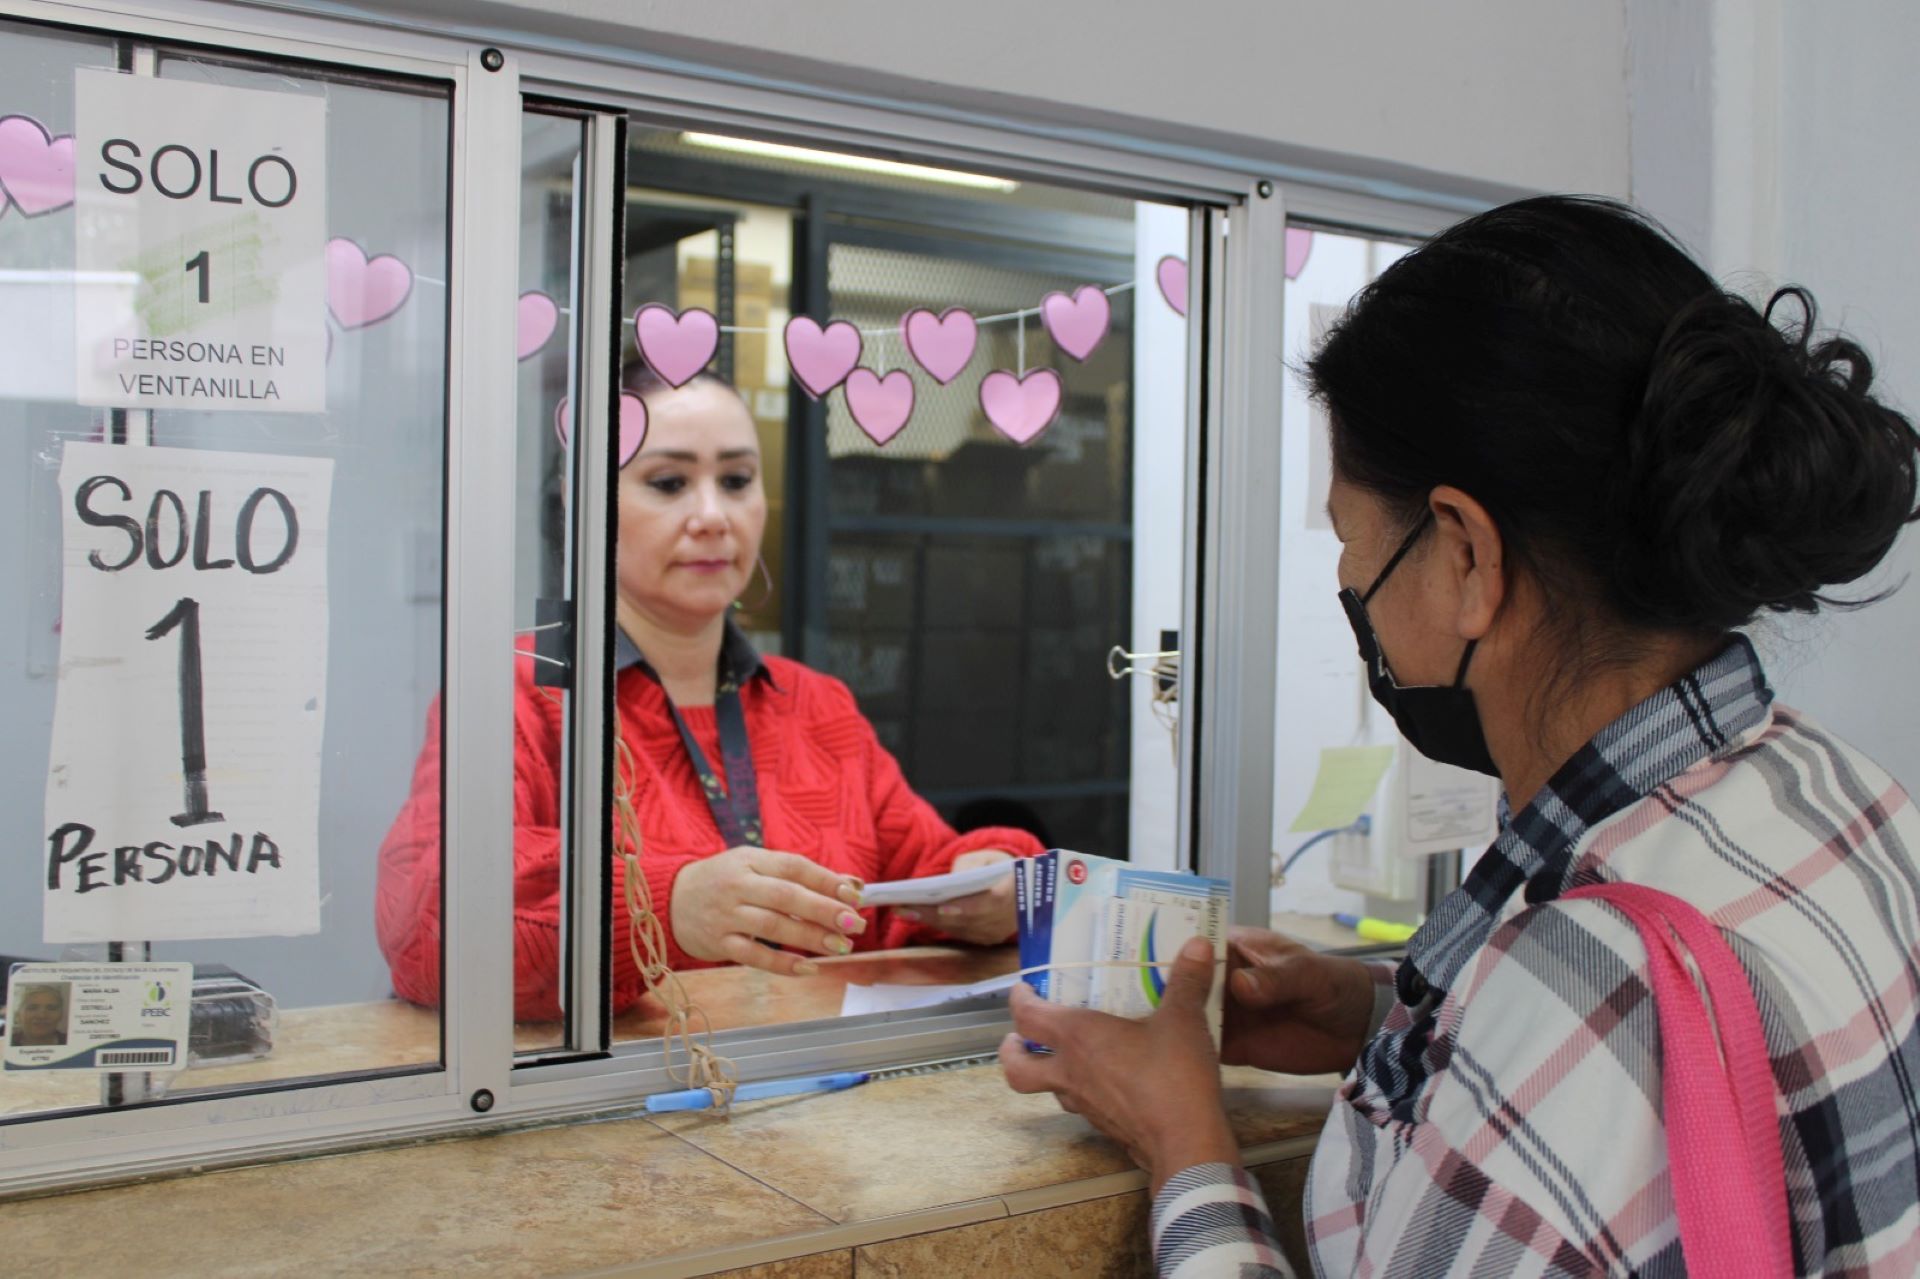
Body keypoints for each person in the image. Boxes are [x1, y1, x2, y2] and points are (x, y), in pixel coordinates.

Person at [1001, 196, 1920, 1276]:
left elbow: (1595, 1040)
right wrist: (1376, 1012)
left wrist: (1181, 1138)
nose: (1350, 586)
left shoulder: (1590, 975)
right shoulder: (1841, 793)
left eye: (1352, 542)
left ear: (1468, 556)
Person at [377, 368, 1041, 1021]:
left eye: (736, 480)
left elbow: (918, 875)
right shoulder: (523, 684)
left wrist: (995, 887)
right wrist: (663, 906)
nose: (713, 516)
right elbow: (423, 918)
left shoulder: (813, 703)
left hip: (831, 1107)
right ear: (578, 503)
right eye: (669, 482)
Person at [9, 984, 69, 1048]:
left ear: (61, 1015)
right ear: (18, 1014)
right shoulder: (5, 1043)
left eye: (51, 1008)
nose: (42, 1016)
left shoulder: (72, 1041)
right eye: (32, 1008)